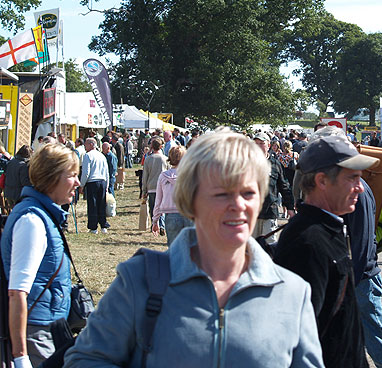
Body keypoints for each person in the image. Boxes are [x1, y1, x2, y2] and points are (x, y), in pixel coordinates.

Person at [65, 131, 324, 367]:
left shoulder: (292, 292)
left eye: (248, 193)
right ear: (191, 200)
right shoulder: (139, 281)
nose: (238, 205)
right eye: (221, 193)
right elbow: (85, 360)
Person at [274, 135, 379, 367]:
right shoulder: (307, 241)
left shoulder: (326, 229)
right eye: (352, 178)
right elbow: (299, 336)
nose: (360, 187)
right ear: (321, 181)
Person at [2, 143, 80, 366]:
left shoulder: (42, 214)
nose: (77, 182)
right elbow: (17, 292)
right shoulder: (32, 221)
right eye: (72, 175)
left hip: (48, 326)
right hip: (36, 332)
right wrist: (21, 357)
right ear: (52, 178)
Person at [253, 132, 294, 239]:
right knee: (250, 246)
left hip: (270, 212)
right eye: (256, 143)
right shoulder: (245, 164)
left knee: (269, 244)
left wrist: (290, 208)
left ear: (268, 145)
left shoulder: (275, 164)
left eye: (262, 143)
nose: (258, 146)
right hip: (251, 213)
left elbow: (284, 186)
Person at [152, 145, 193, 246]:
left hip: (171, 215)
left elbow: (158, 200)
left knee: (174, 248)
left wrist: (155, 220)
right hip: (189, 214)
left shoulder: (163, 176)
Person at [80, 138, 110, 234]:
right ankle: (103, 225)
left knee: (92, 205)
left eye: (86, 144)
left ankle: (93, 227)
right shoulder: (102, 156)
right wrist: (107, 185)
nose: (85, 146)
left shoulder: (87, 155)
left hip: (92, 182)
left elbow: (86, 172)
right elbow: (106, 172)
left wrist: (82, 185)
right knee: (102, 204)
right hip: (102, 181)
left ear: (91, 144)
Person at [142, 138, 169, 235]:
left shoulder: (148, 159)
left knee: (153, 207)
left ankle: (154, 224)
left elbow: (145, 176)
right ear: (161, 146)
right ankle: (162, 225)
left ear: (152, 147)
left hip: (151, 186)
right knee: (162, 207)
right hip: (163, 186)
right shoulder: (165, 159)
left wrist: (144, 190)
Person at [4, 145, 32, 210]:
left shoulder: (11, 162)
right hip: (17, 194)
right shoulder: (23, 165)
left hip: (8, 192)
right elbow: (24, 182)